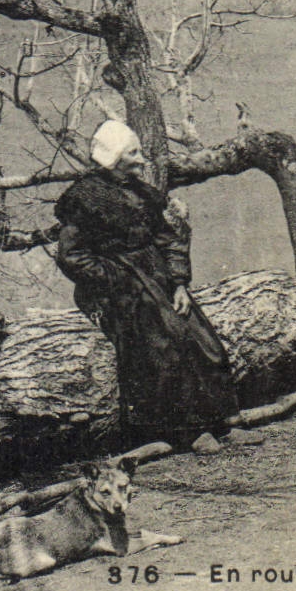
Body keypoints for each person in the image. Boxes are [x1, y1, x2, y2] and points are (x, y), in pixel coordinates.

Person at [54, 121, 238, 444]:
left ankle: (220, 421)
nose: (141, 160)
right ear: (113, 158)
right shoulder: (83, 198)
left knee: (202, 338)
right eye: (133, 153)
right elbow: (71, 256)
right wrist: (115, 277)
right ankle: (184, 434)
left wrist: (180, 283)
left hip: (156, 280)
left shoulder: (142, 193)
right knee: (162, 347)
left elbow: (169, 239)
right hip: (114, 290)